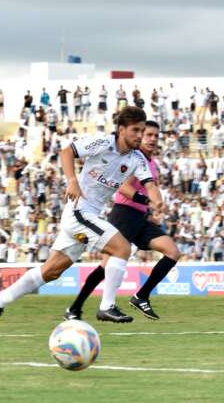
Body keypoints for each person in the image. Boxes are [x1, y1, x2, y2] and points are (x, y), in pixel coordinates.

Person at [0, 107, 162, 331]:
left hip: (89, 216)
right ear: (121, 130)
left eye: (142, 131)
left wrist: (157, 201)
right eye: (136, 130)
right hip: (79, 212)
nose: (140, 135)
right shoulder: (102, 142)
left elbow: (150, 185)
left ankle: (0, 299)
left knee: (51, 271)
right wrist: (72, 181)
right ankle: (107, 306)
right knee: (122, 248)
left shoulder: (137, 159)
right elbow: (67, 152)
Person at [64, 120, 183, 321]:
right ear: (140, 136)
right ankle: (75, 308)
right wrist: (147, 201)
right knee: (105, 266)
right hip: (124, 215)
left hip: (140, 218)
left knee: (172, 252)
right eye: (148, 135)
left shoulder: (151, 163)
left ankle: (141, 296)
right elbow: (123, 188)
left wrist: (150, 211)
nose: (152, 139)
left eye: (156, 135)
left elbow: (149, 189)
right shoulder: (133, 159)